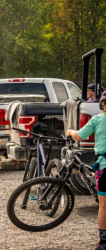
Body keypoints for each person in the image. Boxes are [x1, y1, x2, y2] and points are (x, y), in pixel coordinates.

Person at [66, 90, 106, 249]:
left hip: (104, 168)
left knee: (103, 206)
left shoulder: (97, 119)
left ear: (102, 104)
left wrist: (70, 131)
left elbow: (80, 136)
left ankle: (103, 242)